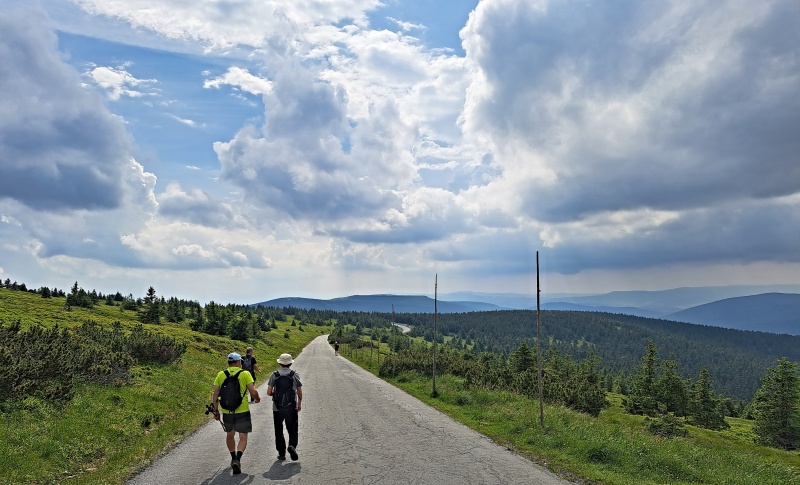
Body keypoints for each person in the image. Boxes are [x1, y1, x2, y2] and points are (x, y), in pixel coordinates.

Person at [211, 352, 260, 475]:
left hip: (227, 410)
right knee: (243, 437)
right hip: (242, 410)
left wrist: (216, 411)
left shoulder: (221, 375)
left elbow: (215, 395)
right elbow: (252, 390)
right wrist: (257, 398)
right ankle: (238, 459)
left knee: (230, 434)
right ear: (239, 362)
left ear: (229, 362)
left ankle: (233, 458)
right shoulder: (245, 374)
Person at [267, 353, 303, 461]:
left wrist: (275, 394)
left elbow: (269, 392)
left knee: (278, 430)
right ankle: (292, 446)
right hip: (291, 407)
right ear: (290, 363)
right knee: (292, 429)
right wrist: (299, 404)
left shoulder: (274, 374)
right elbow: (299, 392)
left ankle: (281, 453)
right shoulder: (294, 374)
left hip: (277, 408)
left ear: (280, 363)